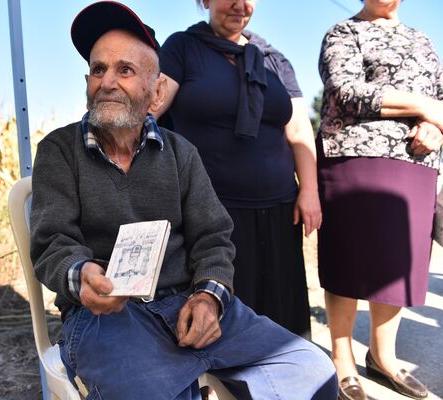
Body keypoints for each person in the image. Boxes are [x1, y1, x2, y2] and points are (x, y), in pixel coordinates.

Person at [29, 2, 337, 399]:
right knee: (148, 390)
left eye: (125, 70)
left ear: (156, 90)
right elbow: (52, 241)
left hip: (186, 303)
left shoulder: (180, 153)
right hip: (106, 317)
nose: (106, 82)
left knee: (310, 369)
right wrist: (81, 274)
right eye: (98, 69)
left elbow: (213, 236)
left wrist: (209, 296)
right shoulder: (59, 150)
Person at [155, 0, 320, 339]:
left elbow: (300, 130)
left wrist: (310, 190)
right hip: (212, 214)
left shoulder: (274, 60)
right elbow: (151, 110)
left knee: (282, 320)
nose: (240, 4)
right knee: (223, 320)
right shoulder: (182, 48)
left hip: (279, 209)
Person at [317, 0, 443, 398]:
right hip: (355, 157)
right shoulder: (344, 32)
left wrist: (437, 129)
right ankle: (343, 361)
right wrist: (424, 108)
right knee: (350, 259)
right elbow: (348, 90)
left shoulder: (421, 40)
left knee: (396, 263)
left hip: (415, 162)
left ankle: (383, 357)